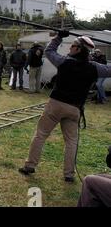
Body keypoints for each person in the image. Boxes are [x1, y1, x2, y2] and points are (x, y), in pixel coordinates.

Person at [19, 33, 111, 182]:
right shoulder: (94, 67)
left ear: (79, 49)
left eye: (73, 45)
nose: (70, 47)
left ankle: (30, 165)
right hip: (74, 109)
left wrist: (58, 38)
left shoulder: (64, 62)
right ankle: (69, 174)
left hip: (55, 105)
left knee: (41, 134)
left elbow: (49, 51)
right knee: (71, 141)